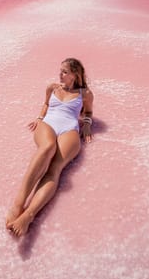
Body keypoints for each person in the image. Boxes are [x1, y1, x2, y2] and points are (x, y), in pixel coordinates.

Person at [6, 57, 94, 236]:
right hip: (49, 123)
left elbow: (89, 111)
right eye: (60, 70)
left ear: (74, 75)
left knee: (55, 168)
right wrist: (39, 117)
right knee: (47, 148)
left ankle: (28, 215)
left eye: (64, 72)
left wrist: (86, 124)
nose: (59, 74)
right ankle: (18, 204)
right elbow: (46, 104)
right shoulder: (52, 87)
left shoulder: (85, 93)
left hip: (69, 128)